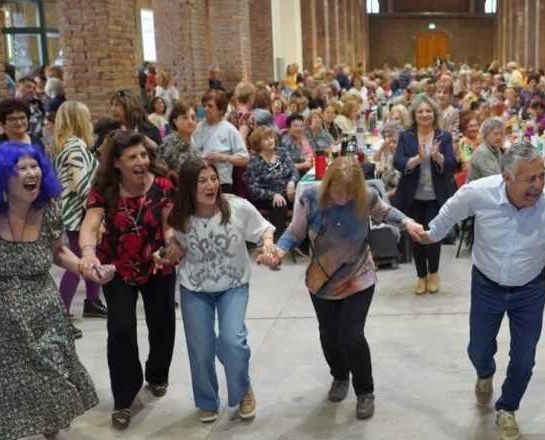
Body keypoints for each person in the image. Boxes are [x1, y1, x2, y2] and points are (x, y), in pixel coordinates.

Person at [418, 143, 545, 440]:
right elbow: (451, 210)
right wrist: (432, 234)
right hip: (486, 284)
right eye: (529, 179)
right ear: (506, 177)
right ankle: (485, 372)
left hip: (529, 290)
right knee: (478, 348)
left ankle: (507, 408)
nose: (538, 185)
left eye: (541, 176)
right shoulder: (480, 192)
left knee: (524, 357)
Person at [0, 142, 106, 440]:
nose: (33, 173)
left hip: (41, 312)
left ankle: (49, 424)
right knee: (0, 388)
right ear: (2, 177)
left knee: (52, 371)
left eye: (36, 167)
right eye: (22, 168)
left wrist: (84, 267)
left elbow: (58, 253)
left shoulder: (49, 211)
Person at [273, 157, 424, 421]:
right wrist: (278, 250)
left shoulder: (365, 197)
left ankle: (365, 391)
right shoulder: (310, 198)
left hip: (358, 276)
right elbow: (295, 232)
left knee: (351, 336)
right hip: (322, 278)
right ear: (328, 183)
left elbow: (386, 213)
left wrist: (408, 222)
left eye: (347, 191)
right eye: (336, 190)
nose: (342, 197)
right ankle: (340, 376)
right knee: (329, 336)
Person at [163, 159, 276, 424]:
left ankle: (242, 388)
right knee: (200, 348)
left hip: (233, 285)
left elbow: (264, 229)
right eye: (202, 181)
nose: (210, 185)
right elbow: (178, 246)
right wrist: (168, 254)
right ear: (190, 187)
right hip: (195, 287)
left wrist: (268, 245)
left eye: (213, 178)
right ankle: (206, 401)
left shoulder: (236, 207)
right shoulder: (181, 214)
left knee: (232, 342)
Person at [79, 130, 178, 430]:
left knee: (162, 322)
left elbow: (170, 226)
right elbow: (90, 224)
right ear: (117, 163)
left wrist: (170, 247)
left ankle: (157, 374)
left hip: (157, 264)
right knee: (120, 329)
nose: (141, 161)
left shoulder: (162, 186)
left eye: (144, 155)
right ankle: (124, 397)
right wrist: (87, 253)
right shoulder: (104, 189)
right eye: (132, 157)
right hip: (117, 268)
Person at [393, 95, 457, 295]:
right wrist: (416, 159)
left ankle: (434, 273)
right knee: (416, 237)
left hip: (435, 195)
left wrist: (439, 158)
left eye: (428, 111)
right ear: (414, 114)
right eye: (420, 111)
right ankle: (421, 276)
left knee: (432, 235)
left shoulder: (443, 136)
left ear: (434, 114)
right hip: (412, 195)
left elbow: (453, 165)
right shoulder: (406, 136)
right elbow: (398, 162)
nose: (424, 114)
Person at [50, 101, 106, 328]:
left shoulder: (71, 145)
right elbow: (83, 185)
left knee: (91, 257)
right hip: (78, 214)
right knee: (77, 264)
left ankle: (92, 301)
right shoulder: (74, 146)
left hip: (77, 212)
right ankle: (61, 315)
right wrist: (97, 220)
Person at [245, 126, 298, 240]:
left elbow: (294, 171)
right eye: (265, 139)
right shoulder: (255, 161)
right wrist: (273, 195)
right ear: (258, 144)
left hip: (288, 192)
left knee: (305, 199)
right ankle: (277, 242)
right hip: (265, 197)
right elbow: (253, 188)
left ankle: (303, 241)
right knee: (279, 204)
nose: (270, 141)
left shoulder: (282, 153)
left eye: (271, 137)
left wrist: (292, 183)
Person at [192, 89, 250, 193]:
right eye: (204, 105)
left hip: (222, 184)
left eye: (210, 106)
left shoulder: (229, 129)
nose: (205, 109)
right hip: (200, 182)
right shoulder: (197, 128)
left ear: (221, 110)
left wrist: (223, 157)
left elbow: (245, 159)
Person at [159, 102, 201, 177]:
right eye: (185, 118)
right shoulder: (169, 143)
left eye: (193, 117)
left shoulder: (194, 138)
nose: (190, 121)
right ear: (175, 121)